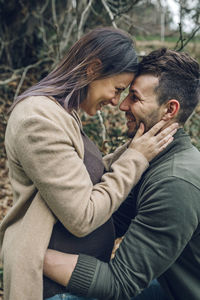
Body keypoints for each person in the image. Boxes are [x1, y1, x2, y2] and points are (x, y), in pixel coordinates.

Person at [0, 28, 176, 300]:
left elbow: (78, 176)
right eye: (117, 89)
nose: (116, 102)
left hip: (74, 285)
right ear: (93, 69)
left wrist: (131, 150)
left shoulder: (60, 114)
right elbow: (82, 216)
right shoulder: (38, 119)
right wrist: (135, 158)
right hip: (53, 290)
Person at [43, 48, 200, 300]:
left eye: (135, 98)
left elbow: (119, 284)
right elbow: (111, 221)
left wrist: (33, 254)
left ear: (169, 110)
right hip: (168, 283)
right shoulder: (153, 157)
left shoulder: (174, 182)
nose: (122, 105)